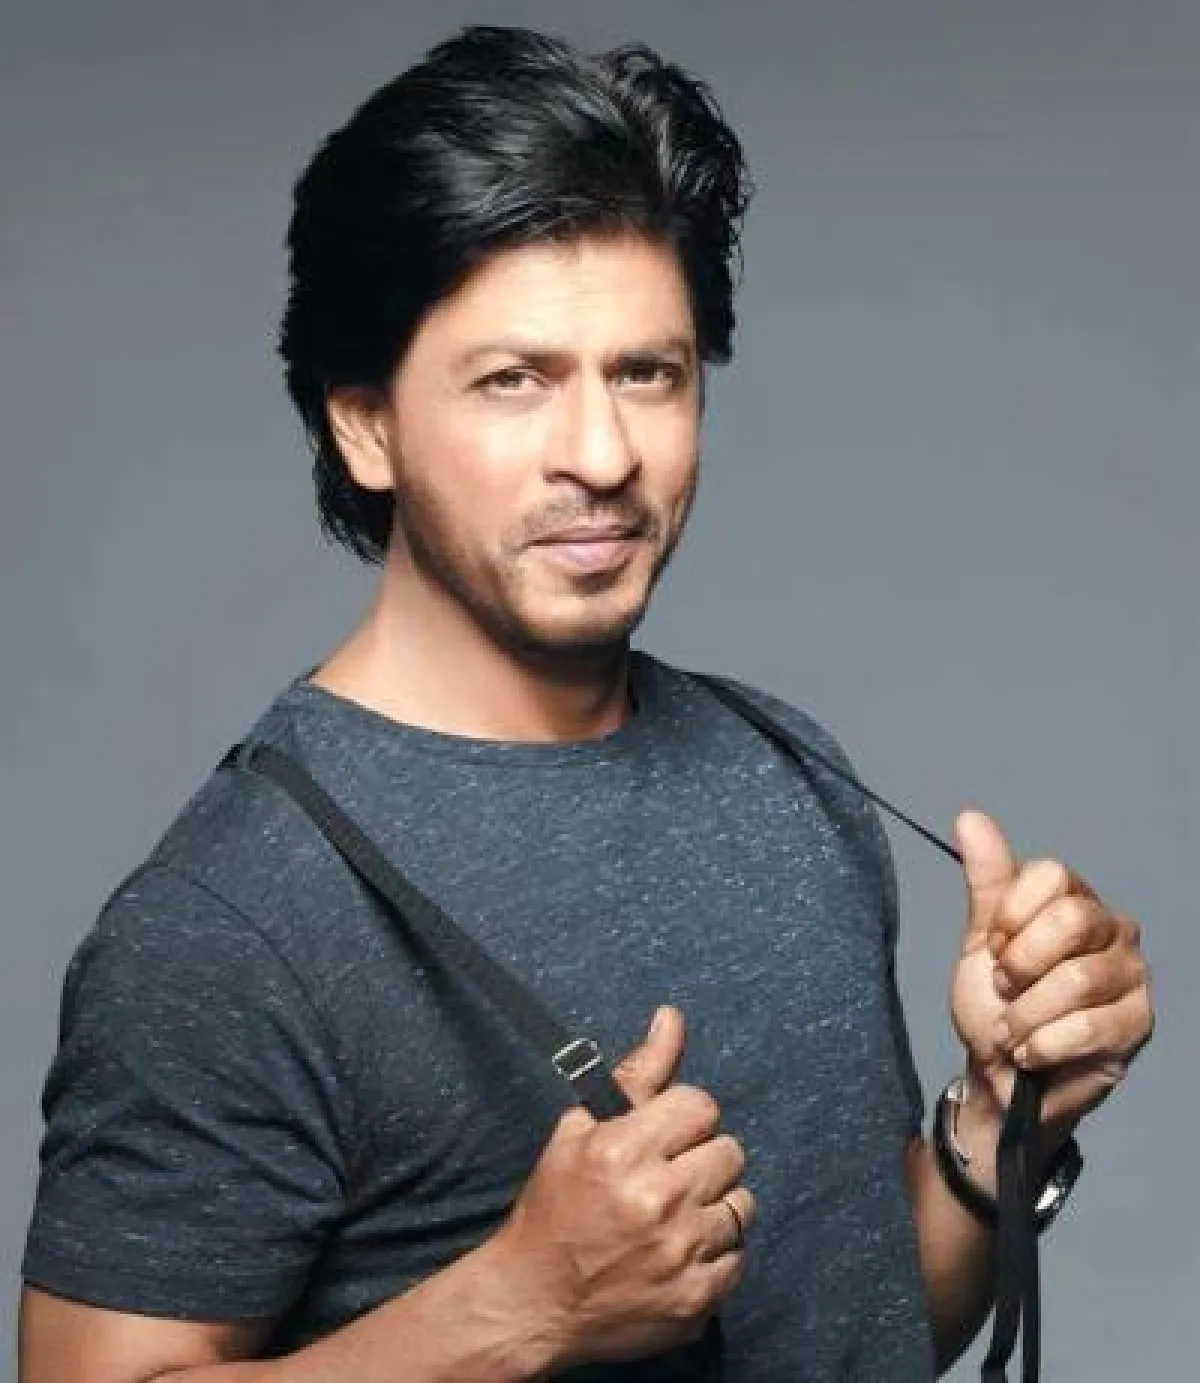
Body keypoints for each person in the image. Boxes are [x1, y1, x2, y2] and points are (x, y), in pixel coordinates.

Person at [18, 24, 1153, 1383]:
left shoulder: (788, 774)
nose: (604, 454)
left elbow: (858, 1323)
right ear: (365, 425)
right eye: (516, 381)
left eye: (646, 373)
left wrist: (996, 1120)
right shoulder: (229, 921)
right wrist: (515, 1308)